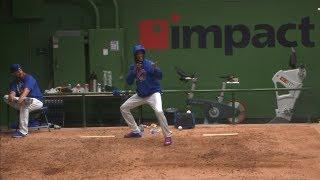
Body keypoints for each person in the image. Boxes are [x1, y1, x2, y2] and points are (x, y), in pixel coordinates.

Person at [120, 44, 172, 146]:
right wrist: (134, 71)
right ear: (135, 55)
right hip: (140, 95)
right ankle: (135, 131)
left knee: (159, 111)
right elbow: (129, 81)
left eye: (141, 53)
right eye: (138, 53)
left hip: (153, 94)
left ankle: (168, 136)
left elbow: (160, 76)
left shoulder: (149, 64)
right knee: (124, 108)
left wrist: (156, 70)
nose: (140, 55)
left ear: (144, 54)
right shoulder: (133, 67)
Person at [3, 64, 43, 138]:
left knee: (24, 102)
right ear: (13, 73)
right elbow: (13, 92)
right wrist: (11, 96)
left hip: (36, 101)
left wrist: (20, 100)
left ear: (21, 69)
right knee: (5, 97)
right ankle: (24, 102)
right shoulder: (14, 82)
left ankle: (23, 132)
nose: (19, 71)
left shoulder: (29, 78)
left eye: (20, 70)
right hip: (23, 102)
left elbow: (26, 92)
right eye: (17, 71)